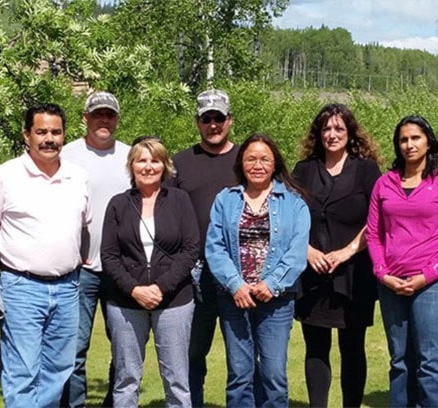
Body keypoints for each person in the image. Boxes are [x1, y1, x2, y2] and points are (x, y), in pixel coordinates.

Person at [0, 103, 91, 407]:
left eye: (56, 132)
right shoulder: (4, 176)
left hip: (68, 288)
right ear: (26, 134)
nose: (49, 138)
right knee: (22, 371)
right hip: (22, 288)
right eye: (41, 132)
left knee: (59, 370)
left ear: (65, 135)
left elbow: (82, 228)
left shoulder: (78, 177)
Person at [366, 115, 438, 407]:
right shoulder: (385, 183)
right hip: (391, 283)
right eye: (403, 139)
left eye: (415, 138)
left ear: (428, 142)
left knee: (429, 359)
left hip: (432, 285)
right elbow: (374, 235)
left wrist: (427, 275)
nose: (409, 144)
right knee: (399, 359)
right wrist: (382, 273)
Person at [206, 133, 310, 407]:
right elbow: (214, 248)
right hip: (234, 298)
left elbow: (297, 253)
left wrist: (272, 284)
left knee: (274, 373)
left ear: (275, 163)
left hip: (277, 300)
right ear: (241, 163)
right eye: (251, 158)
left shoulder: (294, 202)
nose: (258, 164)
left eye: (265, 159)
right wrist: (235, 285)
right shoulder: (225, 200)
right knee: (240, 373)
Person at [292, 103, 382, 407]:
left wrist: (346, 252)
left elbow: (378, 218)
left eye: (339, 128)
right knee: (315, 347)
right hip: (312, 273)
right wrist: (307, 251)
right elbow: (289, 216)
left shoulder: (366, 169)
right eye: (326, 129)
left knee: (352, 347)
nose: (332, 134)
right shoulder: (304, 169)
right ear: (317, 134)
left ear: (350, 133)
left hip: (354, 274)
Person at [101, 136, 199, 407]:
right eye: (141, 160)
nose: (148, 166)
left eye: (154, 160)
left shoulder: (180, 200)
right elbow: (109, 255)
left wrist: (159, 287)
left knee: (177, 380)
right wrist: (134, 289)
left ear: (164, 165)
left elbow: (190, 249)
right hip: (126, 302)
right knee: (126, 379)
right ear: (131, 166)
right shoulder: (118, 204)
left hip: (174, 301)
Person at [61, 91, 131, 408]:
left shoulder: (132, 157)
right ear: (85, 118)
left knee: (124, 350)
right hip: (81, 268)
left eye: (110, 115)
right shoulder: (64, 155)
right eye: (97, 114)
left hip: (124, 270)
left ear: (117, 119)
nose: (104, 120)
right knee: (74, 349)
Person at [170, 89, 239, 408]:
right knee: (193, 354)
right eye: (206, 118)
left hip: (240, 272)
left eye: (219, 118)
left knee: (241, 358)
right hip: (194, 273)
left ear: (230, 120)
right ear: (197, 122)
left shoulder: (247, 159)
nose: (213, 125)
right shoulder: (180, 163)